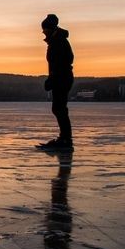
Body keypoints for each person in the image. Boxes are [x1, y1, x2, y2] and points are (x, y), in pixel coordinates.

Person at [40, 14, 74, 150]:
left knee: (59, 109)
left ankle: (66, 140)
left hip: (62, 79)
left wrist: (53, 78)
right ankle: (65, 138)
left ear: (50, 28)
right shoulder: (56, 40)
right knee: (59, 109)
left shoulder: (58, 41)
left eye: (44, 29)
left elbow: (62, 62)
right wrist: (51, 78)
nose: (43, 32)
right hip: (60, 78)